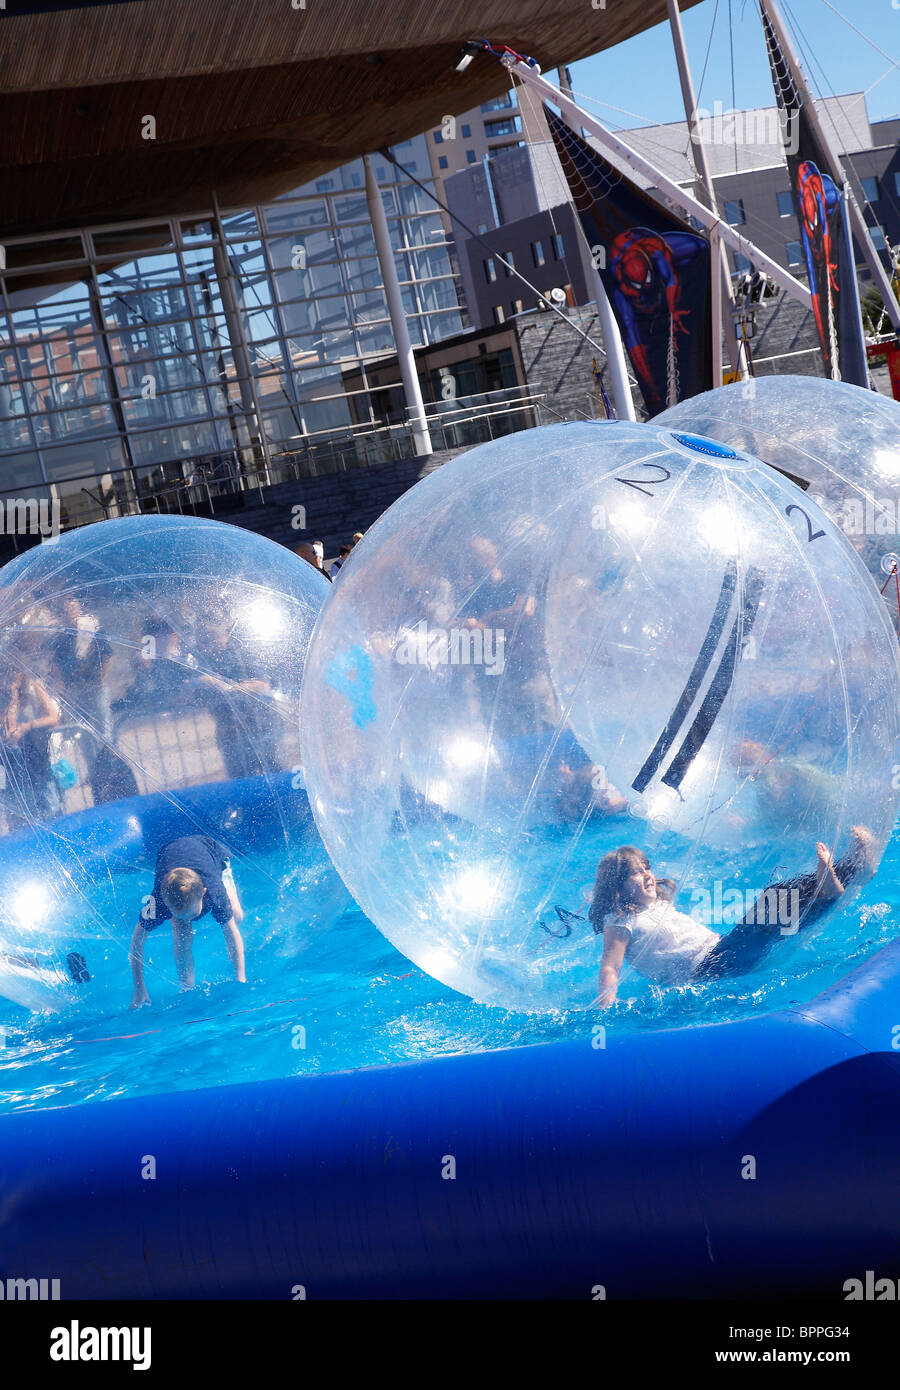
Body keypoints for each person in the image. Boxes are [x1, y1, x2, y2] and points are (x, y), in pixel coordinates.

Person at [592, 829, 875, 1007]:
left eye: (647, 868)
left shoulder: (651, 907)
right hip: (707, 970)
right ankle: (833, 887)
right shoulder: (620, 922)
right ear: (617, 887)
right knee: (770, 918)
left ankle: (849, 868)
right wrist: (607, 1009)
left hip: (720, 951)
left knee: (773, 905)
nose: (648, 876)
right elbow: (610, 967)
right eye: (636, 873)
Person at [129, 834, 245, 1007]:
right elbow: (136, 943)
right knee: (182, 936)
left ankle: (226, 878)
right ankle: (186, 988)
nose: (189, 921)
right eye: (177, 915)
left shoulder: (214, 891)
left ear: (204, 893)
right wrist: (139, 989)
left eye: (191, 916)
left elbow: (232, 934)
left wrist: (240, 979)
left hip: (212, 854)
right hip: (169, 853)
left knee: (236, 916)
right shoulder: (157, 902)